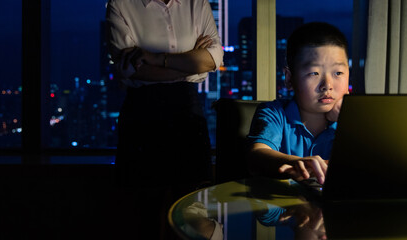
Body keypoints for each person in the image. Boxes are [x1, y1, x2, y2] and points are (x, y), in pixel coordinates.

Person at [105, 0, 223, 239]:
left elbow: (214, 58)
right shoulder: (121, 4)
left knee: (194, 211)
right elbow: (131, 69)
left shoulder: (196, 3)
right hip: (143, 111)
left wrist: (156, 59)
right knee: (144, 214)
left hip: (187, 110)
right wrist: (193, 64)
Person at [247, 22, 350, 185]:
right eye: (314, 73)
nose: (327, 85)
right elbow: (257, 154)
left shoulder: (356, 119)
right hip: (280, 208)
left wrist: (349, 122)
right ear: (289, 78)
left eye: (338, 73)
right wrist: (297, 162)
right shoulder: (275, 113)